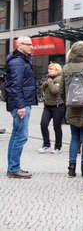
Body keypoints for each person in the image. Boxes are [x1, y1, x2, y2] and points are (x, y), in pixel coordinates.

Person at [62, 41, 83, 177]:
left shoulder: (66, 68)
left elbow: (61, 90)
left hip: (71, 108)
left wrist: (66, 102)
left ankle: (71, 167)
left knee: (74, 137)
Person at [5, 36, 37, 178]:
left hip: (21, 103)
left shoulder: (21, 60)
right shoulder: (18, 62)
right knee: (21, 136)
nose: (32, 47)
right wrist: (21, 106)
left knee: (16, 135)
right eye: (28, 44)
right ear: (20, 46)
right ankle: (13, 168)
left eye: (32, 44)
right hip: (20, 104)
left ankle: (13, 166)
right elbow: (14, 86)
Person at [38, 62, 65, 154]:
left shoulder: (60, 79)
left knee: (56, 127)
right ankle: (46, 144)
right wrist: (45, 83)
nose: (49, 71)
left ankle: (58, 147)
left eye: (51, 69)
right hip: (47, 106)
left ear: (57, 70)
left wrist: (49, 82)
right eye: (49, 69)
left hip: (58, 106)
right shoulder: (49, 78)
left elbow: (54, 90)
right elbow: (42, 88)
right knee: (43, 124)